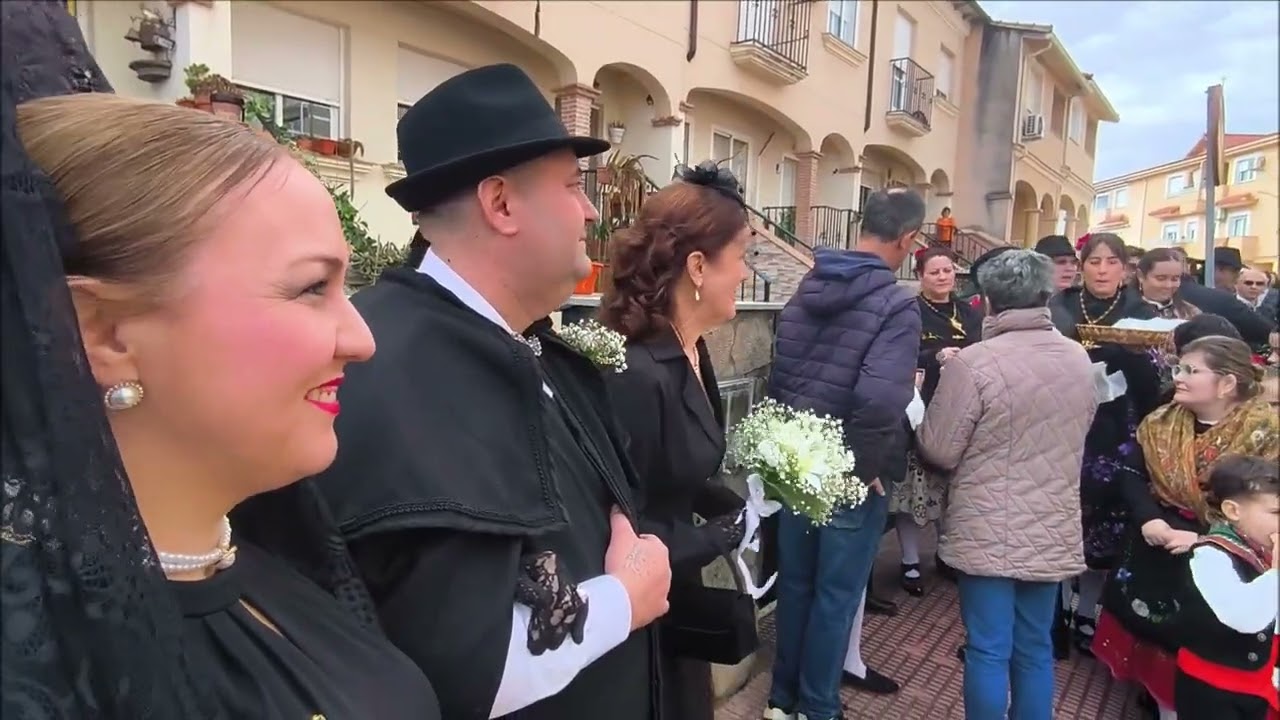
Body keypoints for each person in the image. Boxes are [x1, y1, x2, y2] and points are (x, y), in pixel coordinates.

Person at [1, 6, 440, 717]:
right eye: (310, 288)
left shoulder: (274, 568)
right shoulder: (47, 678)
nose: (361, 339)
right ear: (104, 331)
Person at [309, 64, 671, 720]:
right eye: (570, 186)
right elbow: (463, 671)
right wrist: (627, 597)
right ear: (501, 204)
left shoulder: (521, 345)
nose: (590, 209)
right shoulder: (395, 368)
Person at [598, 162, 752, 720]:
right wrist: (717, 537)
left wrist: (735, 503)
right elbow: (618, 523)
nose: (745, 273)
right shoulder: (637, 375)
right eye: (741, 257)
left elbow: (680, 468)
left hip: (676, 600)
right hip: (640, 628)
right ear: (697, 266)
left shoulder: (692, 349)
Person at [916, 249, 1098, 720]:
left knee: (988, 649)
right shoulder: (1078, 359)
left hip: (985, 521)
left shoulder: (974, 363)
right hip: (1051, 520)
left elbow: (939, 449)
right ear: (1045, 294)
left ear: (988, 300)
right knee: (1035, 647)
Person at [764, 188, 924, 720]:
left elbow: (782, 373)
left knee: (797, 585)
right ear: (908, 239)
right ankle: (817, 706)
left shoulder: (808, 284)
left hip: (798, 462)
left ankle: (780, 702)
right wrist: (863, 469)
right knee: (835, 595)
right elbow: (880, 397)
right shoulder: (897, 301)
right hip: (848, 471)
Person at [1093, 336, 1278, 719]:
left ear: (1227, 383)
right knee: (1158, 663)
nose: (1178, 376)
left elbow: (1267, 505)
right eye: (1179, 367)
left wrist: (1209, 540)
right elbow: (1130, 471)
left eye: (1191, 371)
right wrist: (1150, 519)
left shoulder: (1266, 432)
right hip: (1158, 544)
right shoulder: (1161, 421)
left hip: (1232, 560)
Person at [1047, 232, 1161, 658]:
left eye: (1111, 262)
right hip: (1064, 423)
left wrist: (1130, 353)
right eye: (1094, 261)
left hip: (1114, 430)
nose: (1101, 270)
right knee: (1062, 518)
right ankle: (1056, 610)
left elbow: (1152, 383)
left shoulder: (1140, 313)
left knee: (1103, 527)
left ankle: (1088, 611)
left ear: (1125, 269)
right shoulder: (1060, 305)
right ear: (1082, 264)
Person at [890, 246, 982, 595]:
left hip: (962, 409)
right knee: (913, 489)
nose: (943, 277)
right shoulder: (910, 311)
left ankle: (947, 553)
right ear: (920, 276)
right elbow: (901, 354)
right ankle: (910, 561)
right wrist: (935, 356)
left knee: (954, 489)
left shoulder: (970, 313)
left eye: (948, 271)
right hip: (921, 409)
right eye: (934, 272)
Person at [1174, 455, 1279, 720]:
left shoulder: (1266, 550)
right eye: (1276, 513)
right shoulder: (1211, 555)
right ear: (1234, 511)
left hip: (1258, 684)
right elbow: (1245, 618)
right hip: (1211, 688)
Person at [1134, 248, 1199, 319]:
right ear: (1140, 276)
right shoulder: (1124, 310)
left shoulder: (1190, 312)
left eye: (1175, 279)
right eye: (1161, 278)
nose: (1168, 285)